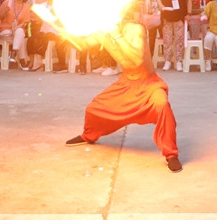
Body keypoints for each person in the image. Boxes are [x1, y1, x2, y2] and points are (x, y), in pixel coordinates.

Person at [65, 13, 181, 173]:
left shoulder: (135, 29)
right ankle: (88, 136)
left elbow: (137, 59)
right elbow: (82, 44)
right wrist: (65, 30)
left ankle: (171, 154)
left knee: (162, 105)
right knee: (93, 109)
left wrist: (116, 35)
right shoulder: (103, 33)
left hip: (149, 84)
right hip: (126, 84)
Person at [158, 0, 189, 71]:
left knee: (179, 39)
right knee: (167, 39)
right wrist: (161, 6)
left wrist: (188, 13)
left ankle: (179, 60)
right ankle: (168, 60)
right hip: (167, 15)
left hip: (179, 16)